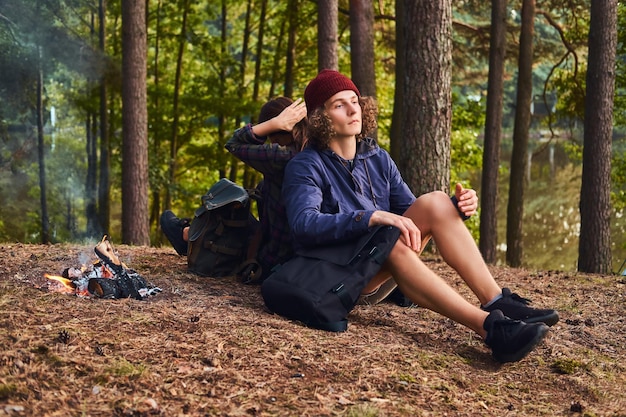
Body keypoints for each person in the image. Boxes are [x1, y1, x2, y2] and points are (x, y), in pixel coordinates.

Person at [281, 69, 559, 363]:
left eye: (355, 100)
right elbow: (304, 224)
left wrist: (455, 209)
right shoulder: (305, 165)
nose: (353, 109)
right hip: (343, 276)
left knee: (436, 201)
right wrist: (370, 217)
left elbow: (413, 214)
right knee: (393, 245)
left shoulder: (377, 157)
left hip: (380, 260)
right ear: (321, 118)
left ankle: (497, 300)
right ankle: (490, 329)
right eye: (339, 104)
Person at [160, 96, 307, 281]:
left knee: (232, 203)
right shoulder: (314, 150)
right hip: (298, 258)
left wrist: (272, 123)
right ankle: (191, 234)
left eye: (271, 136)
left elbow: (234, 143)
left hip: (275, 259)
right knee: (258, 192)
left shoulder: (282, 156)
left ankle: (189, 236)